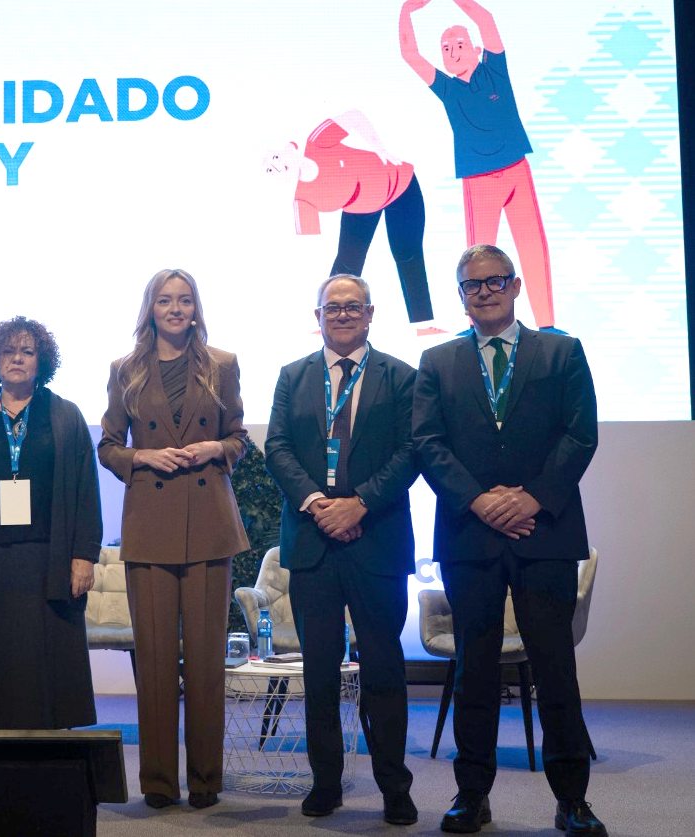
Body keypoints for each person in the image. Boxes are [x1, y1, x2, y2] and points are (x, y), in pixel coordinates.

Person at [412, 244, 602, 836]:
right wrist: (479, 500)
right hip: (470, 535)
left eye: (495, 281)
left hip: (544, 532)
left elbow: (581, 434)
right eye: (473, 285)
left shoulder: (561, 351)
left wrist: (532, 498)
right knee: (474, 669)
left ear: (516, 286)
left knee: (555, 669)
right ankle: (472, 795)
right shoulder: (437, 361)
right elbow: (427, 442)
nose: (485, 292)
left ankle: (572, 800)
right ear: (461, 295)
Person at [264, 273, 419, 825]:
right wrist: (317, 504)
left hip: (376, 539)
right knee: (321, 674)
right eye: (334, 307)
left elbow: (411, 451)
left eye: (354, 306)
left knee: (384, 672)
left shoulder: (401, 376)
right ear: (319, 316)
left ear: (371, 314)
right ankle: (325, 782)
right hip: (313, 544)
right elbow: (278, 447)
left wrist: (359, 505)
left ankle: (394, 788)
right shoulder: (293, 375)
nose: (344, 314)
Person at [98, 269, 249, 810]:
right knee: (156, 661)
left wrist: (216, 449)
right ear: (151, 308)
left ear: (195, 308)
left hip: (209, 523)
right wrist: (142, 456)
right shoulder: (126, 369)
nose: (176, 309)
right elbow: (108, 446)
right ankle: (159, 783)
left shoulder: (222, 364)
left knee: (206, 663)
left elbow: (239, 436)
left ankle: (205, 781)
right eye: (165, 300)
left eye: (184, 300)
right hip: (151, 524)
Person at [0, 316, 101, 730]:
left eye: (27, 352)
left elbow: (86, 491)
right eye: (8, 351)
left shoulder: (65, 416)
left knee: (46, 662)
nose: (17, 359)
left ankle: (49, 753)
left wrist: (84, 555)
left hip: (48, 558)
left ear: (41, 362)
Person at [400, 0, 556, 329]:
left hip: (516, 170)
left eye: (459, 44)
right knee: (477, 261)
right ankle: (476, 328)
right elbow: (410, 55)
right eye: (446, 49)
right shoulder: (447, 88)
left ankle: (547, 325)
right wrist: (405, 11)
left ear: (475, 49)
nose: (453, 52)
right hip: (479, 180)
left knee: (532, 247)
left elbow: (485, 19)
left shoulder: (494, 69)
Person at [264, 109, 440, 333]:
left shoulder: (317, 142)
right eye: (269, 170)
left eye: (275, 158)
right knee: (347, 261)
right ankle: (327, 321)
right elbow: (308, 252)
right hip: (361, 206)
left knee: (408, 253)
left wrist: (379, 148)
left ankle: (424, 326)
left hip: (400, 183)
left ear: (290, 149)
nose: (276, 166)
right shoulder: (302, 201)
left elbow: (355, 117)